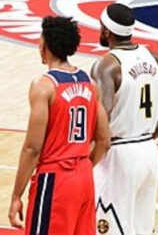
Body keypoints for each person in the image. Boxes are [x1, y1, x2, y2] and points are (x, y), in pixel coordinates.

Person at [91, 3, 158, 235]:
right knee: (142, 230)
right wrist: (152, 134)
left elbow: (103, 116)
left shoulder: (106, 66)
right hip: (148, 151)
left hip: (119, 156)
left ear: (107, 31)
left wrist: (85, 157)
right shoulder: (151, 56)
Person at [9, 16, 111, 234]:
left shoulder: (44, 86)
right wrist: (81, 168)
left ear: (45, 45)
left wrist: (16, 195)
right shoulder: (91, 85)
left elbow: (33, 148)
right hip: (84, 176)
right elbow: (104, 140)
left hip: (54, 179)